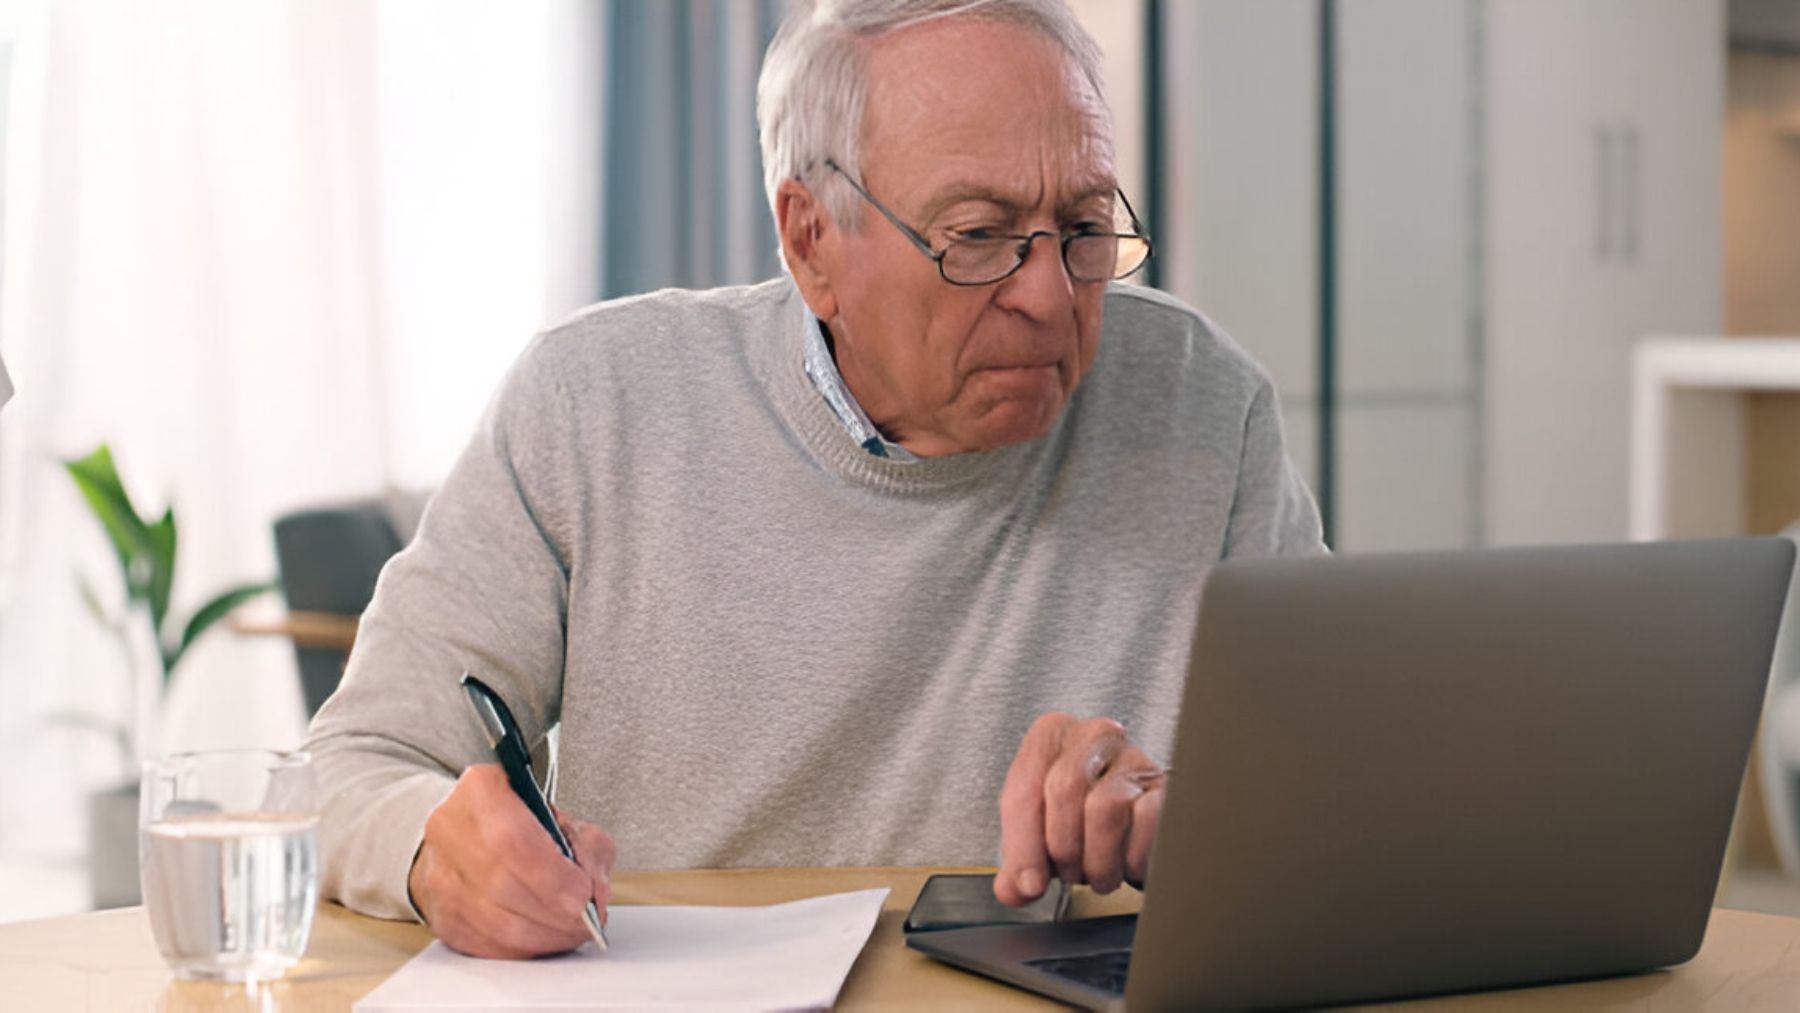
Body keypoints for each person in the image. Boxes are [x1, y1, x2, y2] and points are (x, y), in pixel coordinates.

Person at [305, 0, 1324, 960]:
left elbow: (1340, 790)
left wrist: (1191, 811)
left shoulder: (1203, 406)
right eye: (979, 236)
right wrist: (435, 850)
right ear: (812, 241)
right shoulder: (595, 404)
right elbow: (347, 767)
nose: (1051, 294)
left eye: (1084, 223)